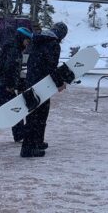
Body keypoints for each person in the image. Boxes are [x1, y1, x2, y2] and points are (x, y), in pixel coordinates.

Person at [20, 22, 69, 158]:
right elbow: (50, 67)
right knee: (38, 117)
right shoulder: (53, 44)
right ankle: (28, 148)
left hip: (32, 81)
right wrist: (59, 83)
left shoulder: (37, 40)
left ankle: (36, 142)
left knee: (35, 114)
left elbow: (35, 62)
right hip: (43, 84)